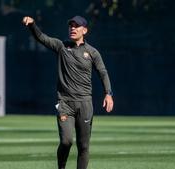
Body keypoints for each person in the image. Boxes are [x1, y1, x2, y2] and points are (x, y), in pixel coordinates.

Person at [22, 15, 114, 169]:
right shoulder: (62, 46)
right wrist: (32, 25)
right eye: (70, 25)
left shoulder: (92, 52)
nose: (72, 28)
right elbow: (41, 38)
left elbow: (102, 72)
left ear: (84, 30)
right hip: (65, 103)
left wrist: (108, 94)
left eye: (76, 26)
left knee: (83, 146)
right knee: (66, 141)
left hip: (85, 104)